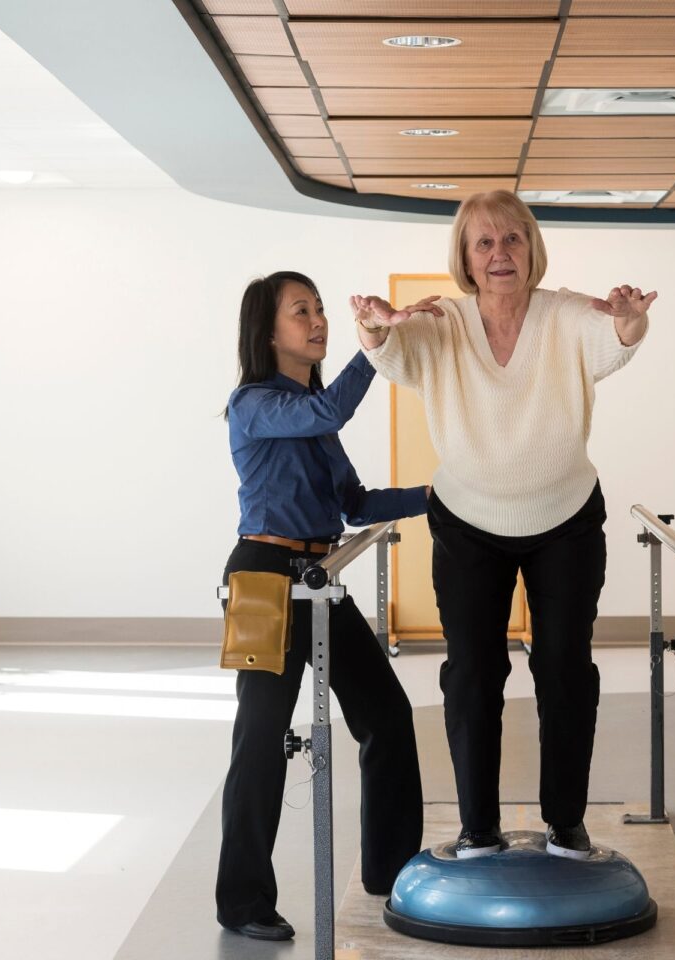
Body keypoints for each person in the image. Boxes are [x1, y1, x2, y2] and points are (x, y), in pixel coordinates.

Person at [351, 191, 656, 862]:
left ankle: (566, 823)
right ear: (465, 257)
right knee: (472, 674)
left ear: (531, 248)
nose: (499, 254)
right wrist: (374, 328)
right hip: (468, 521)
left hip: (565, 520)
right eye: (484, 243)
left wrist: (630, 322)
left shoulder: (565, 312)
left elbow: (612, 342)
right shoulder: (442, 321)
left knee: (564, 668)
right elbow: (393, 355)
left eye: (512, 239)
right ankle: (478, 827)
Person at [217, 271, 435, 940]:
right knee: (261, 740)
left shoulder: (315, 415)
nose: (317, 321)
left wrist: (439, 495)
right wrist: (374, 346)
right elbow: (330, 412)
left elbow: (356, 504)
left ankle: (391, 872)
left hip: (320, 576)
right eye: (301, 311)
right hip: (263, 579)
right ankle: (243, 902)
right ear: (268, 332)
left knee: (387, 717)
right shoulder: (253, 404)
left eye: (319, 309)